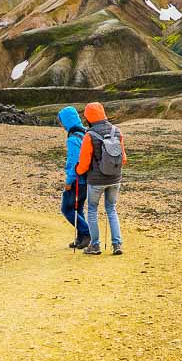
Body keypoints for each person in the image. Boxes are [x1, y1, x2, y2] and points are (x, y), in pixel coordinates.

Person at [75, 102, 127, 255]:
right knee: (111, 209)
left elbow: (84, 164)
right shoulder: (116, 131)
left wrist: (77, 170)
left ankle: (95, 245)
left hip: (96, 181)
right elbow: (123, 159)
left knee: (92, 210)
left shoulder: (89, 135)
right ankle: (117, 244)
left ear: (88, 117)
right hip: (115, 178)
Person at [57, 106, 90, 249]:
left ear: (67, 121)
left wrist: (69, 181)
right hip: (88, 178)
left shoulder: (73, 138)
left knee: (67, 209)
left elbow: (74, 162)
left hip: (78, 179)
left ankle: (86, 233)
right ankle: (81, 238)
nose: (61, 125)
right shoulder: (85, 133)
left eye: (61, 121)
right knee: (79, 208)